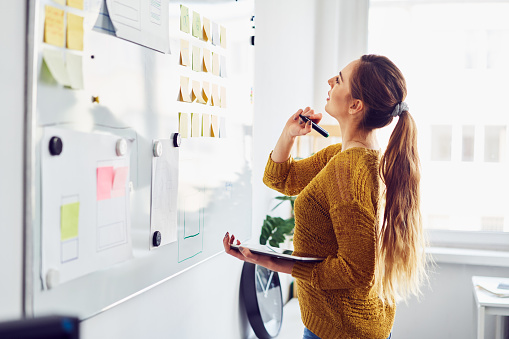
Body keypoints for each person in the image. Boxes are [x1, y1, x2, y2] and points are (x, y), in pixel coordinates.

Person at [223, 54, 427, 339]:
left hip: (341, 331)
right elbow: (280, 178)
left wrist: (272, 261)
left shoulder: (349, 170)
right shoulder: (346, 157)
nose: (330, 81)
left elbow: (355, 271)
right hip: (346, 325)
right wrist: (290, 133)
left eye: (339, 79)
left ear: (356, 105)